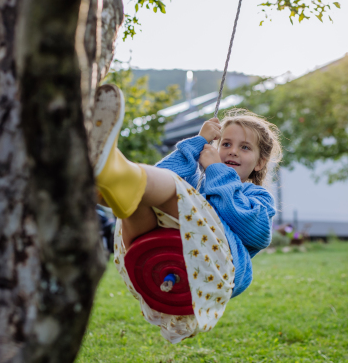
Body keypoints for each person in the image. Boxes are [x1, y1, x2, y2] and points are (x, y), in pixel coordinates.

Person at [89, 84, 282, 342]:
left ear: (260, 163)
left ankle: (112, 172)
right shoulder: (201, 186)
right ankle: (107, 184)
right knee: (140, 199)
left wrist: (215, 170)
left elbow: (253, 229)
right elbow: (162, 172)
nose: (233, 150)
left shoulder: (257, 197)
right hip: (162, 256)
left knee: (174, 190)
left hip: (220, 264)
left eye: (245, 147)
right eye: (226, 143)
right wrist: (198, 142)